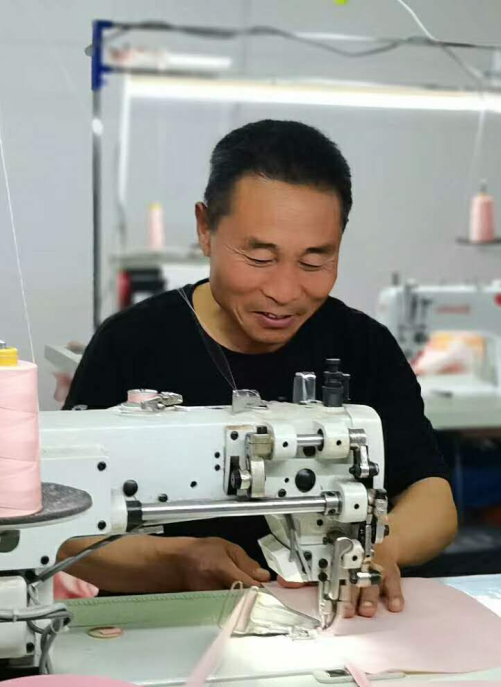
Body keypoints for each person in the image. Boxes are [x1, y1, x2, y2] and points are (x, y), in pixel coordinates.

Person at [61, 119, 456, 618]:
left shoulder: (364, 345)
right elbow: (68, 532)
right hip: (160, 625)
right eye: (260, 257)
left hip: (333, 620)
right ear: (205, 228)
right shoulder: (131, 344)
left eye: (314, 262)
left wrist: (380, 550)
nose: (285, 292)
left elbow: (432, 497)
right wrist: (173, 562)